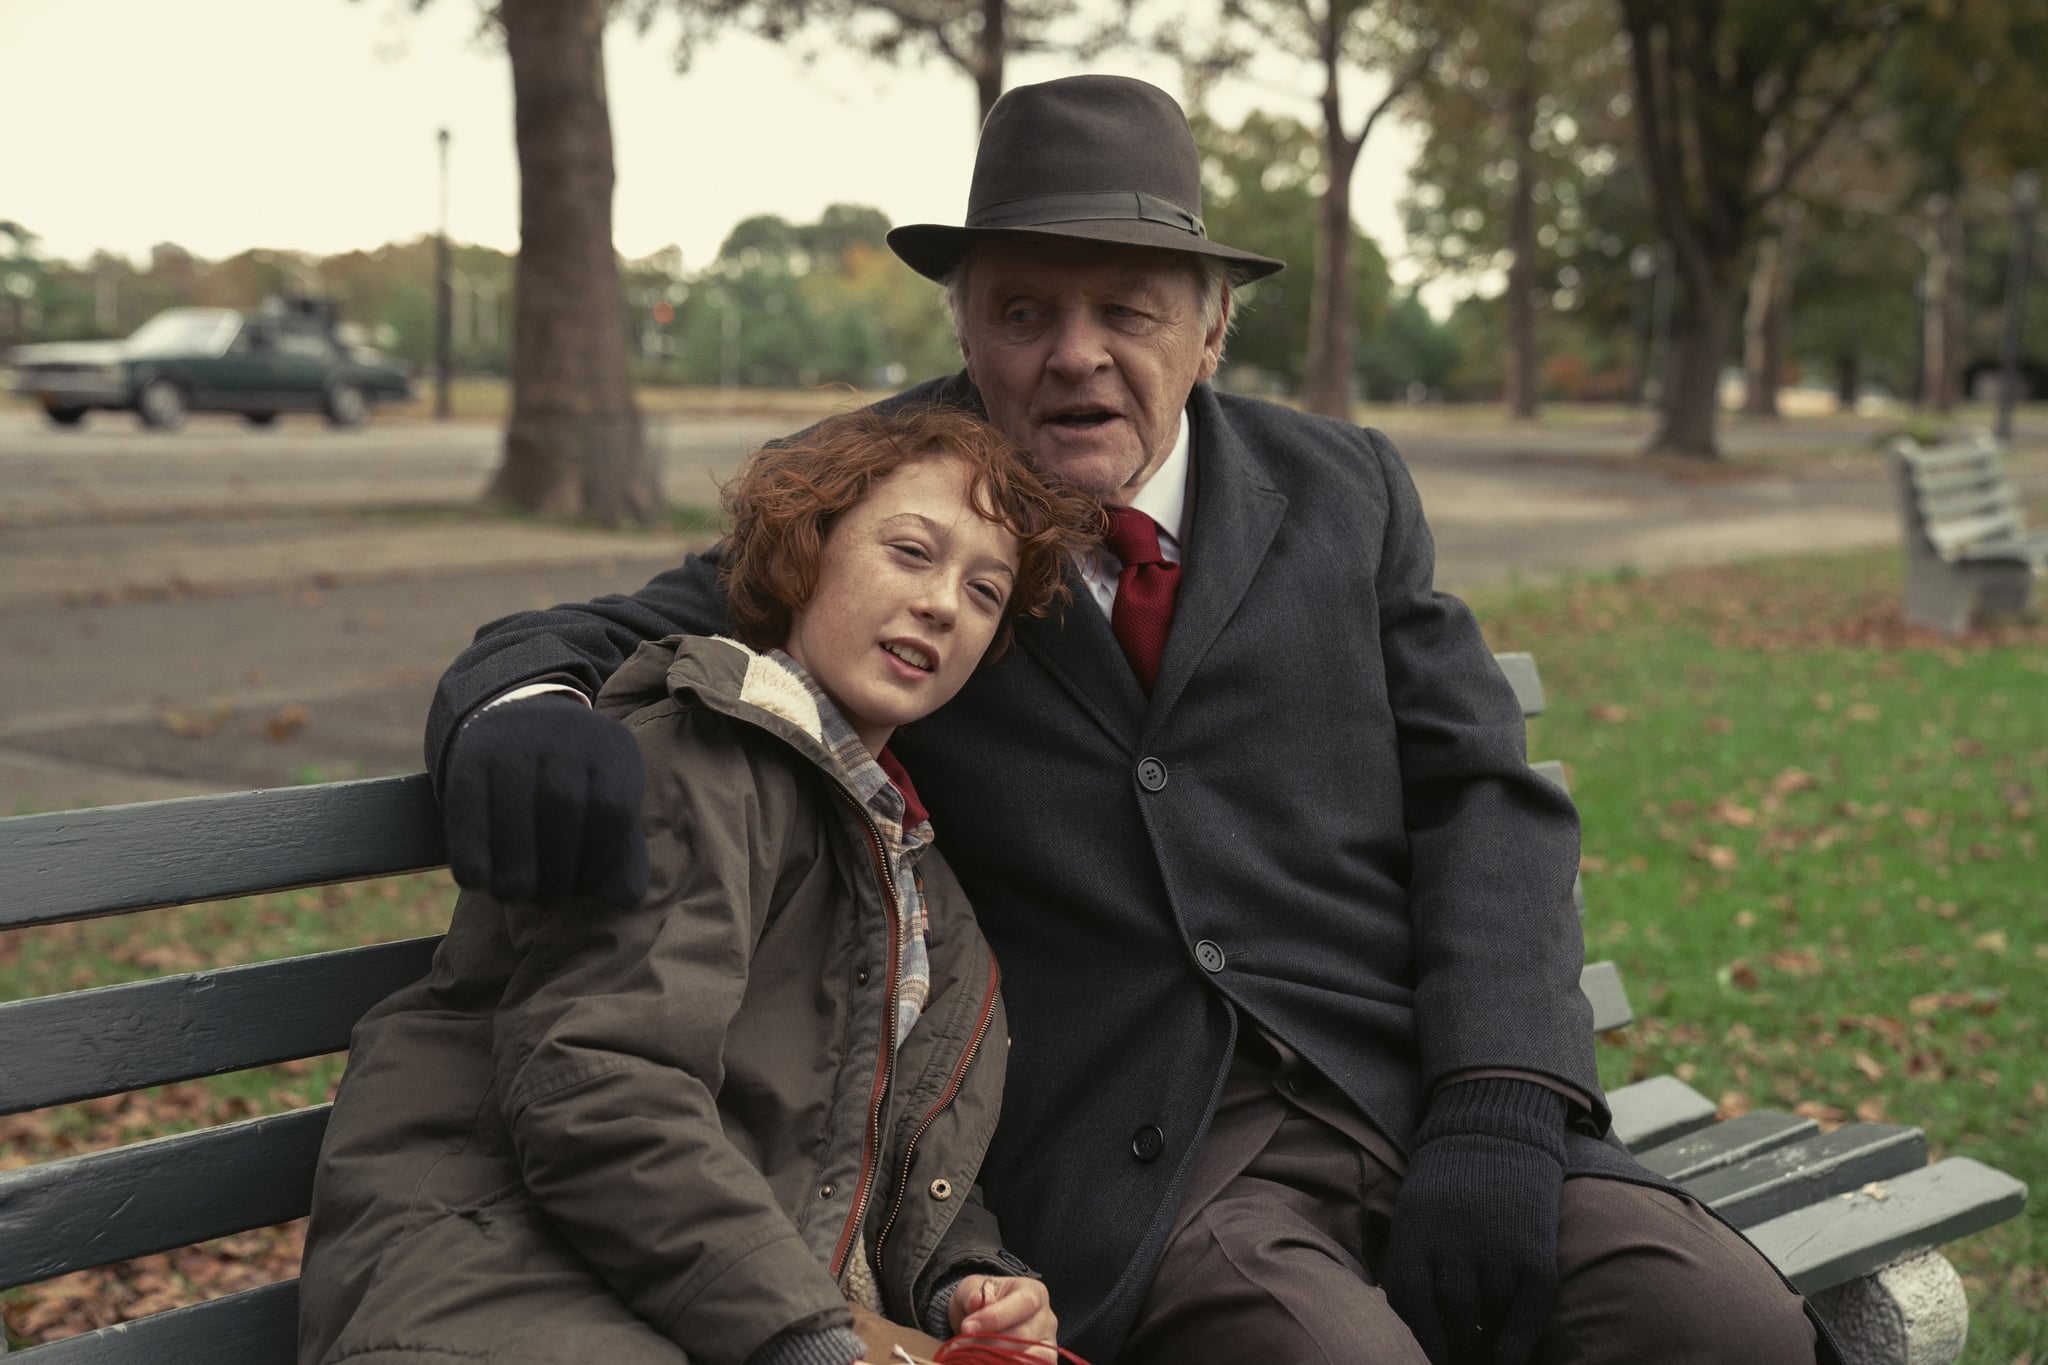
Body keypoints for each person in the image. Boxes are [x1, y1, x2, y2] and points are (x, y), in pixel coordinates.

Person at [418, 76, 1836, 1365]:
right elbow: (601, 632)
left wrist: (1499, 1096)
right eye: (1025, 310)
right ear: (966, 325)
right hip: (1147, 1163)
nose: (1076, 355)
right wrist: (524, 702)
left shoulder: (1345, 490)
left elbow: (1483, 796)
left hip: (1405, 1091)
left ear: (1212, 328)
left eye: (1129, 310)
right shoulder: (886, 503)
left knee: (1728, 1325)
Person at [299, 406, 1102, 1365]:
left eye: (984, 590)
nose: (943, 605)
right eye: (910, 552)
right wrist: (806, 1339)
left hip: (693, 1296)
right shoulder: (701, 757)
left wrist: (962, 1281)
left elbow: (881, 1142)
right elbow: (598, 1089)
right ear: (806, 550)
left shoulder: (916, 873)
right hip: (502, 1276)